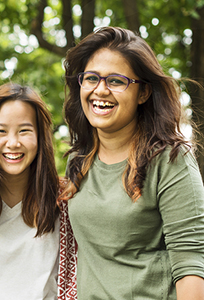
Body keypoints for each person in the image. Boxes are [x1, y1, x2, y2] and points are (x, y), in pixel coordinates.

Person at [63, 26, 204, 299]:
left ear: (143, 93)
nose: (100, 90)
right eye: (91, 78)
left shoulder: (171, 159)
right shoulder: (78, 160)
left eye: (116, 81)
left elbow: (192, 264)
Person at [0, 83, 61, 299]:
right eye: (0, 131)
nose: (13, 143)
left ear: (40, 137)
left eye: (24, 131)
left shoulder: (64, 202)